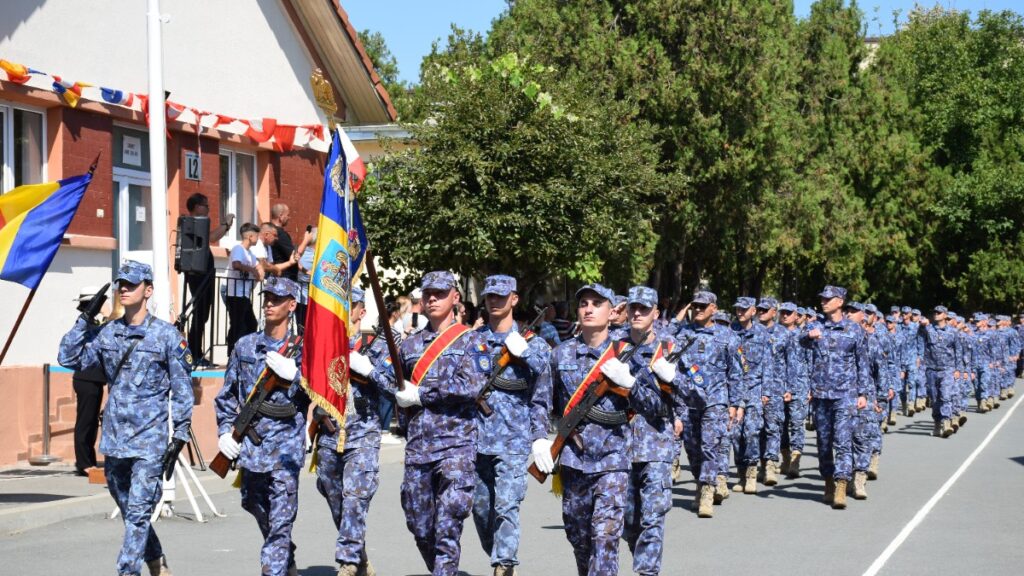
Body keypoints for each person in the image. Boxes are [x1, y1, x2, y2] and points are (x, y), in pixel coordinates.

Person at [59, 260, 194, 576]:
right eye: (121, 283)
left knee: (137, 512)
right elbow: (68, 357)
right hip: (116, 440)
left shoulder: (166, 336)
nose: (124, 289)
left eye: (131, 284)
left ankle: (127, 571)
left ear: (148, 290)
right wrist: (85, 319)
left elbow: (182, 389)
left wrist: (181, 435)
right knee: (128, 509)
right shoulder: (109, 334)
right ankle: (157, 560)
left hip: (149, 442)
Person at [393, 271, 488, 576]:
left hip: (456, 445)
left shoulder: (472, 340)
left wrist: (422, 394)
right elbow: (393, 384)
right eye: (427, 293)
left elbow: (471, 386)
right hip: (419, 445)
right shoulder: (410, 346)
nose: (432, 299)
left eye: (440, 293)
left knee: (449, 521)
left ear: (455, 297)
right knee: (418, 521)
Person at [215, 277, 309, 576]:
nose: (269, 303)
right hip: (252, 447)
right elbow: (227, 394)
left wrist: (297, 376)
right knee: (252, 503)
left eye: (277, 299)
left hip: (286, 449)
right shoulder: (245, 345)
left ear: (291, 305)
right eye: (266, 297)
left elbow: (324, 394)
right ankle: (283, 551)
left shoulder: (305, 351)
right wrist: (223, 432)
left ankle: (275, 564)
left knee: (282, 520)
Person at [547, 283, 634, 575]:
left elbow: (653, 405)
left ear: (612, 312)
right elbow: (541, 402)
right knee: (580, 537)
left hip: (613, 460)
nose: (588, 308)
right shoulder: (560, 355)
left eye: (597, 303)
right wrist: (538, 440)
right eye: (584, 303)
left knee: (605, 537)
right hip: (573, 461)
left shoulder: (626, 355)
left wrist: (631, 384)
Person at [310, 287, 396, 576]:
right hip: (329, 432)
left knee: (356, 494)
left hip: (363, 431)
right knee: (333, 493)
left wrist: (368, 370)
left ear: (361, 311)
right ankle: (359, 556)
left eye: (350, 307)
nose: (343, 312)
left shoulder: (380, 345)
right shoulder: (322, 342)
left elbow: (396, 387)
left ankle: (347, 561)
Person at [471, 275, 552, 576]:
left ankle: (504, 564)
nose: (494, 300)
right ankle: (498, 554)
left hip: (513, 441)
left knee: (506, 507)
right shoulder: (473, 340)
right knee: (481, 511)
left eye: (500, 296)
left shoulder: (534, 344)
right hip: (475, 438)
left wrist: (539, 437)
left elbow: (542, 392)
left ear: (514, 299)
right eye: (489, 295)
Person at [620, 286, 699, 571]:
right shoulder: (614, 346)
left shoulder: (670, 347)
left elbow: (697, 394)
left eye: (644, 308)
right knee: (629, 522)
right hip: (618, 445)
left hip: (656, 444)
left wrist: (675, 378)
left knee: (652, 519)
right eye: (633, 308)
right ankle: (640, 557)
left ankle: (646, 571)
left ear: (656, 312)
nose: (637, 313)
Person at [801, 285, 870, 509]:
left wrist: (863, 393)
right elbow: (799, 342)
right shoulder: (815, 325)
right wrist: (808, 336)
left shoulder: (854, 329)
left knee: (842, 440)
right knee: (823, 442)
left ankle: (841, 483)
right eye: (822, 298)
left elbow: (863, 362)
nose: (824, 302)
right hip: (821, 394)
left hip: (846, 394)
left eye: (828, 299)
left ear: (840, 302)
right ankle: (828, 481)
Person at [675, 291, 743, 509]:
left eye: (703, 306)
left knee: (709, 446)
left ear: (714, 308)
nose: (698, 310)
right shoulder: (682, 334)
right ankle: (700, 480)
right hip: (688, 400)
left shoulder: (728, 337)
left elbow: (736, 372)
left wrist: (736, 404)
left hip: (716, 400)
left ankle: (707, 490)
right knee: (692, 448)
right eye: (695, 306)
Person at [184, 193, 233, 367]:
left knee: (202, 315)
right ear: (197, 207)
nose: (208, 209)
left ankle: (195, 352)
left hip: (204, 275)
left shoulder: (197, 223)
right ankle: (193, 353)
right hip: (199, 276)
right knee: (199, 314)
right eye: (206, 205)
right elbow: (213, 238)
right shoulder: (195, 223)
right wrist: (226, 224)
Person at [731, 296, 773, 494]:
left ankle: (751, 472)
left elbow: (768, 364)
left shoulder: (762, 334)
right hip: (734, 390)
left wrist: (767, 391)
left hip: (755, 389)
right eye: (738, 308)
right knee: (735, 434)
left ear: (753, 311)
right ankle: (740, 472)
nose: (740, 312)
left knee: (752, 431)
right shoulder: (729, 332)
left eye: (744, 309)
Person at [71, 285, 108, 476]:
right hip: (86, 378)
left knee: (92, 421)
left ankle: (88, 460)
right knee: (85, 422)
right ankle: (83, 463)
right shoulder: (84, 322)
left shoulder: (94, 322)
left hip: (94, 379)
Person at [918, 306, 962, 438]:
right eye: (934, 312)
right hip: (931, 369)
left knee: (946, 395)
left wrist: (958, 369)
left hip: (947, 369)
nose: (936, 314)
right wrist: (922, 325)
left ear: (945, 315)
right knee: (935, 398)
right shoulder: (928, 329)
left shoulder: (953, 332)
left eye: (939, 313)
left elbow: (958, 351)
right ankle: (937, 423)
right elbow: (919, 334)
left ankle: (946, 422)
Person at [777, 301, 810, 479]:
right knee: (780, 424)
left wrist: (811, 388)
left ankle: (796, 460)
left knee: (797, 423)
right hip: (778, 386)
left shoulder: (802, 336)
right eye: (782, 313)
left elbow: (811, 362)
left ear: (796, 316)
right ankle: (785, 457)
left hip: (800, 386)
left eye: (788, 313)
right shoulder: (774, 335)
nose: (785, 316)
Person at [225, 223, 262, 357]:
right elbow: (236, 264)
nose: (258, 239)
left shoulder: (250, 253)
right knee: (237, 324)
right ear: (250, 236)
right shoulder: (238, 249)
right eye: (257, 236)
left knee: (251, 323)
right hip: (235, 293)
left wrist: (259, 273)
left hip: (244, 294)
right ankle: (233, 354)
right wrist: (252, 270)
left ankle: (244, 351)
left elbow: (259, 266)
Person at [269, 203, 298, 281]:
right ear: (281, 216)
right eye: (288, 215)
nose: (289, 218)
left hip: (276, 275)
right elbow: (294, 255)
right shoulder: (280, 234)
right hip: (284, 278)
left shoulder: (268, 229)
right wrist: (306, 240)